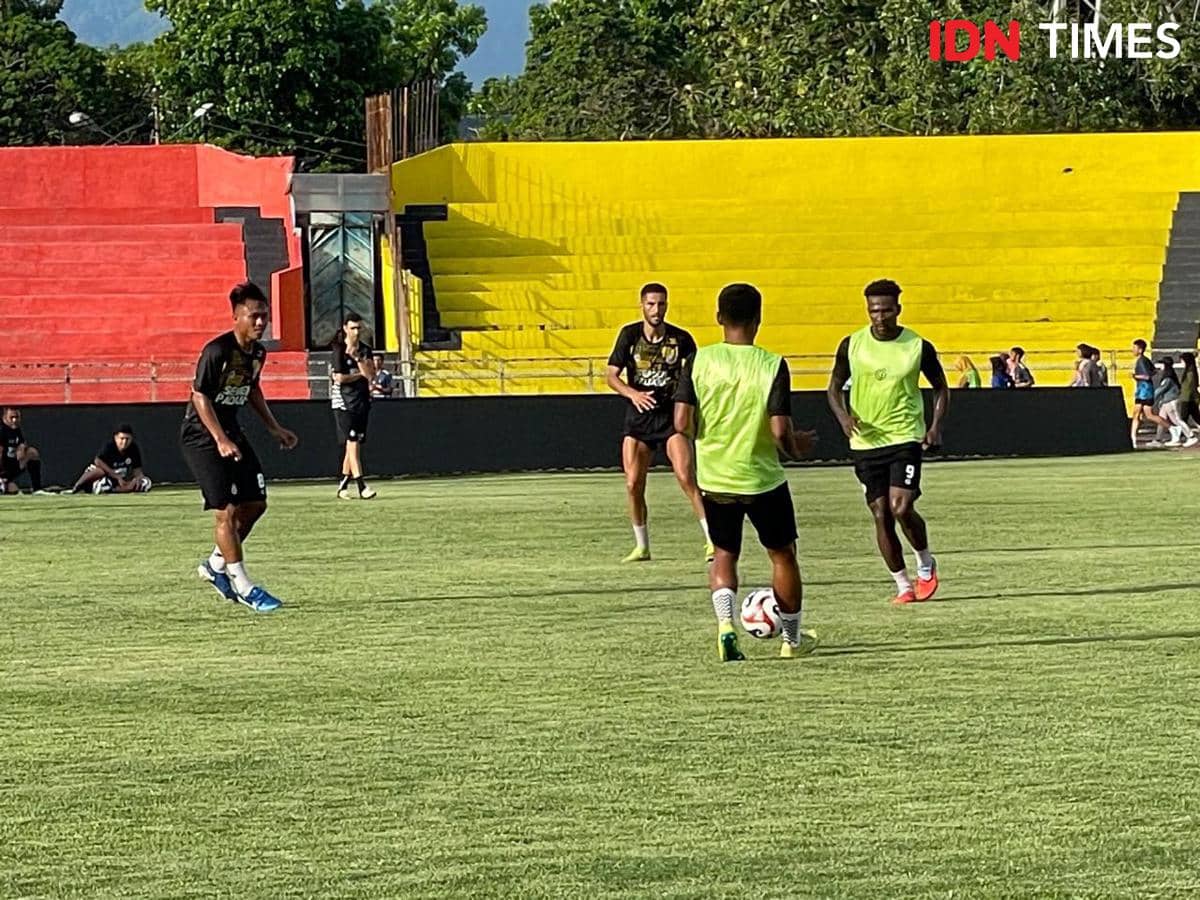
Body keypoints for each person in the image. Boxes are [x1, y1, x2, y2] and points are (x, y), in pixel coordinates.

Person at [674, 283, 819, 661]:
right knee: (782, 556)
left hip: (716, 477)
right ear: (759, 319)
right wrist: (795, 448)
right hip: (761, 477)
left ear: (719, 318)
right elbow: (778, 431)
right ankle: (791, 641)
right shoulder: (771, 364)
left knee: (724, 554)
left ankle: (726, 628)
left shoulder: (698, 361)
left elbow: (681, 421)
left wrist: (708, 437)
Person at [827, 279, 950, 605]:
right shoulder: (851, 345)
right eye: (873, 311)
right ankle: (903, 585)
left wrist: (935, 426)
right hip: (866, 442)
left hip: (904, 436)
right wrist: (843, 418)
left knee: (901, 506)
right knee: (881, 513)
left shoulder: (917, 346)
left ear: (897, 309)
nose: (879, 317)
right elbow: (834, 387)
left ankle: (925, 563)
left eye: (885, 310)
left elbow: (940, 387)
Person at [180, 281, 298, 613]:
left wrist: (274, 427)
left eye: (265, 316)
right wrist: (219, 438)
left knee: (256, 503)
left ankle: (216, 565)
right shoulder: (217, 351)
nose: (261, 322)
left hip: (231, 432)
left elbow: (252, 389)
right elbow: (199, 395)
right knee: (226, 512)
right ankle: (244, 586)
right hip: (201, 436)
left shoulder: (258, 354)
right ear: (236, 316)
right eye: (254, 316)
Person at [606, 282, 712, 562]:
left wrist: (690, 412)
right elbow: (611, 376)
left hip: (669, 419)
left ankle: (712, 540)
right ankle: (642, 546)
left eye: (661, 304)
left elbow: (695, 378)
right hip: (638, 420)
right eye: (651, 304)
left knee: (686, 478)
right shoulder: (629, 335)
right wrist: (633, 394)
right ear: (641, 305)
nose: (656, 309)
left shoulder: (682, 339)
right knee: (632, 484)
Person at [331, 313, 378, 500]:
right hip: (343, 402)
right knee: (353, 443)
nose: (356, 332)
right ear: (345, 328)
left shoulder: (364, 350)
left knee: (353, 445)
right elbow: (340, 378)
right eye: (352, 328)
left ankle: (342, 486)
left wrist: (358, 359)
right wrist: (360, 374)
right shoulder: (338, 349)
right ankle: (361, 486)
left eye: (359, 328)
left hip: (361, 401)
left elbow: (370, 375)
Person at [70, 423, 152, 494]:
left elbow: (137, 470)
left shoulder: (133, 449)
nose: (124, 442)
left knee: (146, 482)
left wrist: (138, 479)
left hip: (118, 481)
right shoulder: (110, 447)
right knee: (100, 472)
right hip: (102, 476)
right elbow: (97, 461)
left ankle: (115, 490)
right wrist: (116, 476)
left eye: (127, 439)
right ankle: (76, 488)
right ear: (116, 438)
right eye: (122, 438)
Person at [0, 407, 49, 495]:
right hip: (3, 469)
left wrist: (22, 446)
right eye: (12, 417)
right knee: (13, 490)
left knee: (32, 452)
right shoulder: (2, 430)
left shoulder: (15, 428)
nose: (14, 420)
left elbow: (22, 441)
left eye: (17, 417)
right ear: (4, 416)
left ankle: (37, 488)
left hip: (13, 466)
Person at [1131, 339, 1169, 449]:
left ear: (1140, 349)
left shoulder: (1141, 361)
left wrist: (1135, 376)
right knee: (1148, 415)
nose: (1132, 350)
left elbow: (1146, 376)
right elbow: (1153, 371)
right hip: (1145, 390)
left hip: (1144, 391)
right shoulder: (1145, 360)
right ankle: (1173, 428)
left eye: (1134, 348)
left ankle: (1133, 437)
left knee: (1137, 414)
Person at [1152, 356, 1198, 447]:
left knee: (1177, 420)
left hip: (1171, 401)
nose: (1160, 367)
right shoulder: (1168, 375)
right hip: (1166, 401)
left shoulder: (1168, 378)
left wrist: (1151, 398)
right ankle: (1160, 439)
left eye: (1161, 364)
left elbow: (1160, 390)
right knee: (1162, 419)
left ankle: (1191, 436)